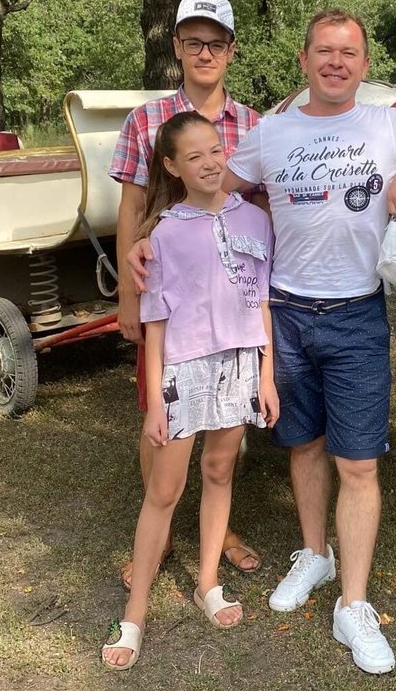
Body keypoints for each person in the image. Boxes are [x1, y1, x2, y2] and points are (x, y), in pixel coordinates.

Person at [224, 9, 396, 674]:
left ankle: (353, 605)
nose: (336, 62)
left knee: (358, 463)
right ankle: (314, 554)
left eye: (349, 53)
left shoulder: (385, 124)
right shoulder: (270, 133)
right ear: (304, 61)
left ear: (364, 66)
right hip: (287, 312)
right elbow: (214, 187)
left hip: (357, 315)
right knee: (302, 444)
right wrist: (155, 244)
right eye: (325, 52)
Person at [101, 111, 278, 671]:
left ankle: (207, 583)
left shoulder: (255, 220)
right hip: (185, 370)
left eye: (216, 150)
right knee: (164, 490)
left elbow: (262, 302)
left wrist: (266, 375)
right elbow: (154, 325)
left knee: (221, 471)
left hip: (241, 362)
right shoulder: (163, 235)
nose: (209, 163)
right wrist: (156, 400)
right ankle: (134, 614)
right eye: (194, 156)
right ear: (173, 167)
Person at [109, 0, 264, 587]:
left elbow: (262, 210)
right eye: (193, 41)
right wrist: (128, 290)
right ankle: (161, 531)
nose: (205, 52)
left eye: (216, 42)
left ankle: (218, 528)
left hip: (228, 300)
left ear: (230, 50)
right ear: (176, 47)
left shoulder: (253, 125)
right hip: (166, 296)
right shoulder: (145, 121)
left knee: (227, 416)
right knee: (162, 412)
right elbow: (129, 208)